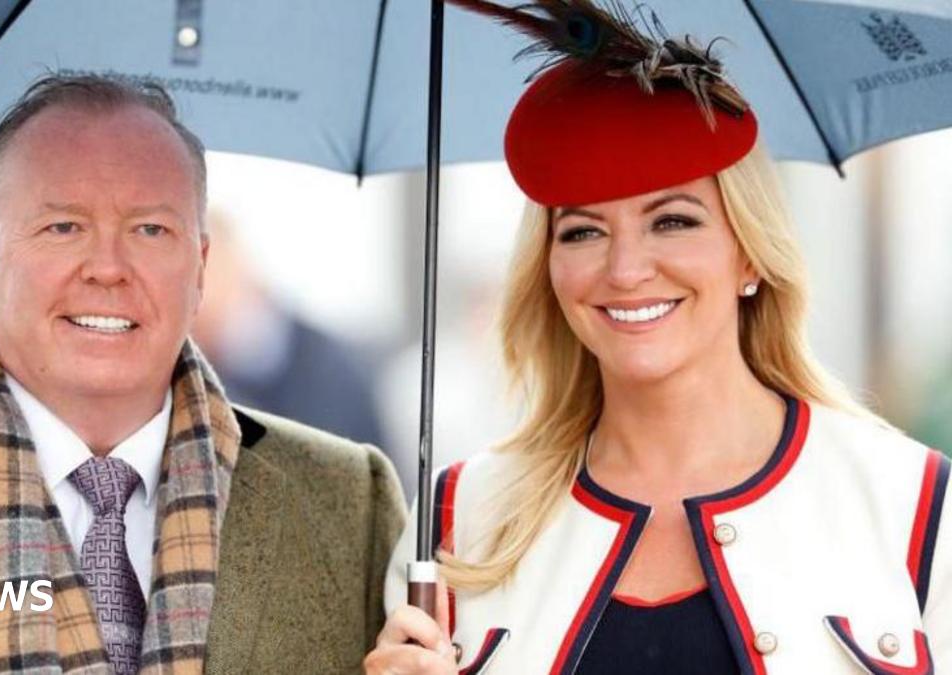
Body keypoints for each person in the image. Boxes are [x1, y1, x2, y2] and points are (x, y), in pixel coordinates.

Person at [365, 2, 950, 673]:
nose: (626, 270)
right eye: (583, 230)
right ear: (548, 268)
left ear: (751, 254)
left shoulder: (913, 502)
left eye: (673, 221)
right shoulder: (457, 517)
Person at [0, 74, 405, 674]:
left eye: (150, 229)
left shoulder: (348, 504)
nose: (108, 268)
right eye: (63, 226)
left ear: (200, 266)